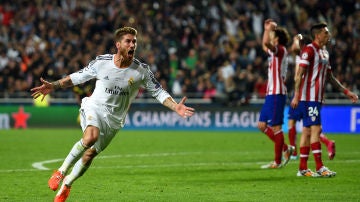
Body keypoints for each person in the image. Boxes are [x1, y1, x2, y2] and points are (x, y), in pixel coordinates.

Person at [30, 27, 195, 202]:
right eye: (128, 41)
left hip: (114, 121)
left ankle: (67, 184)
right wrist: (53, 86)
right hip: (94, 107)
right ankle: (61, 172)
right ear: (118, 45)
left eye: (134, 42)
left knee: (89, 154)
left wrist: (175, 106)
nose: (132, 45)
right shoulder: (102, 62)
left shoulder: (141, 71)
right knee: (90, 137)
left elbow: (159, 92)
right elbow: (76, 78)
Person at [291, 22, 358, 177]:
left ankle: (302, 168)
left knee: (307, 131)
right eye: (326, 33)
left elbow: (330, 77)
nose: (329, 35)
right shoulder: (309, 50)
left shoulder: (325, 53)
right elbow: (299, 74)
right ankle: (320, 167)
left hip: (317, 98)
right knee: (316, 129)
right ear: (318, 35)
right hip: (309, 97)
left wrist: (346, 92)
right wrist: (296, 95)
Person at [287, 34, 336, 160]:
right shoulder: (308, 55)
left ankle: (294, 152)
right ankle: (325, 144)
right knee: (309, 126)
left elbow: (301, 77)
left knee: (301, 125)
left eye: (295, 42)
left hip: (303, 95)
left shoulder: (303, 55)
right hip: (309, 94)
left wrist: (297, 95)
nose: (293, 45)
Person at [257, 19, 294, 169]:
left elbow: (266, 43)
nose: (270, 36)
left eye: (272, 34)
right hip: (271, 93)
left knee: (276, 128)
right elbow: (264, 45)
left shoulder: (281, 50)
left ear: (277, 38)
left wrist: (267, 29)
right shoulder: (274, 52)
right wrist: (267, 30)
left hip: (277, 93)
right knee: (261, 125)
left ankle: (277, 162)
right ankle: (286, 148)